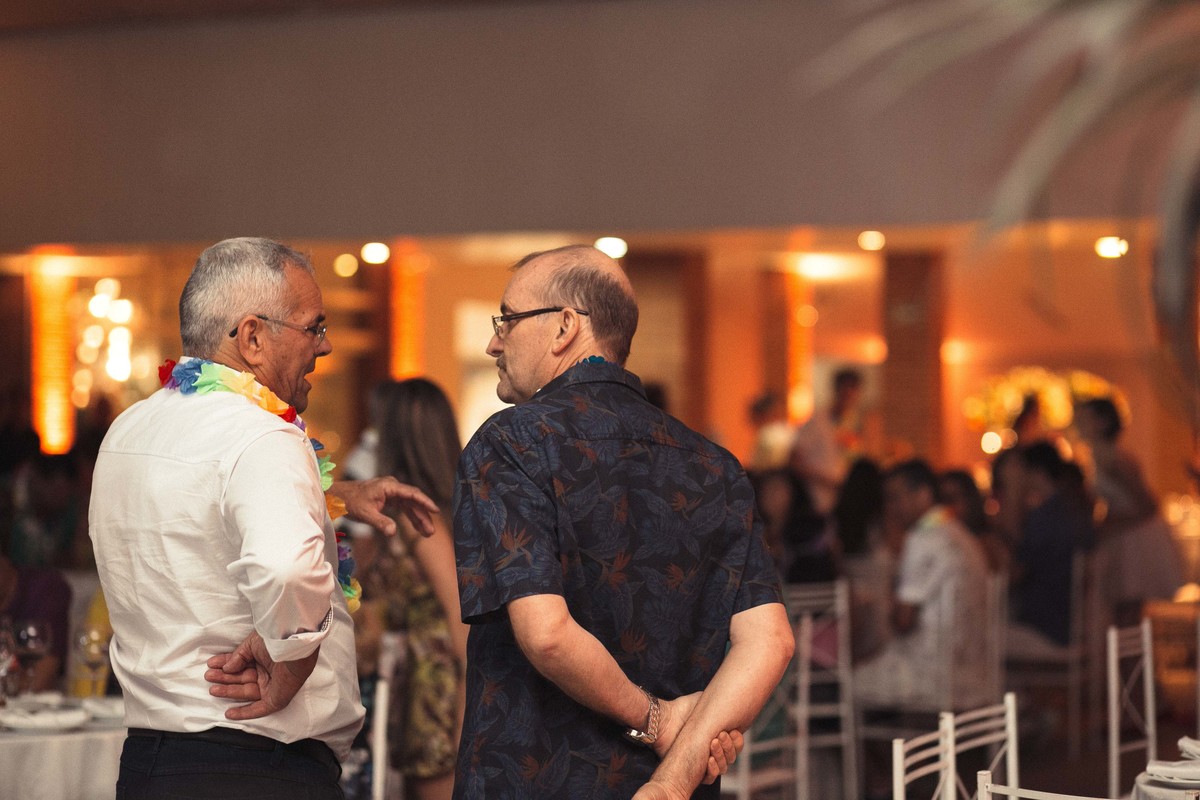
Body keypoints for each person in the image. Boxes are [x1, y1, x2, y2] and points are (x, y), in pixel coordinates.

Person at [88, 237, 438, 799]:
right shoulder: (263, 436)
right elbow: (286, 568)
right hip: (255, 766)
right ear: (252, 337)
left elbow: (196, 504)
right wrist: (292, 658)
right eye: (313, 327)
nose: (324, 345)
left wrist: (332, 494)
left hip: (151, 767)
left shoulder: (129, 429)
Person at [453, 244, 793, 799]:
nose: (495, 341)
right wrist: (673, 780)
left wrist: (656, 720)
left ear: (565, 326)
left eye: (507, 319)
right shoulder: (714, 464)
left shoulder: (513, 442)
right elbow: (769, 642)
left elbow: (547, 635)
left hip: (534, 778)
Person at [345, 378, 469, 800]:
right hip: (415, 687)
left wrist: (465, 720)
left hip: (435, 695)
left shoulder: (423, 523)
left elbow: (461, 620)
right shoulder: (426, 513)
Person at [853, 459, 990, 710]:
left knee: (843, 684)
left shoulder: (923, 538)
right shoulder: (965, 536)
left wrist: (890, 601)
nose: (890, 508)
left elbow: (903, 621)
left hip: (931, 674)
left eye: (895, 498)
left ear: (924, 494)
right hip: (976, 672)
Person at [1075, 397, 1183, 624]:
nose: (1078, 424)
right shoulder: (1098, 456)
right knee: (1119, 606)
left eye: (1084, 418)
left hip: (1134, 535)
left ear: (1102, 422)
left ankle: (1126, 647)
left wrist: (1112, 525)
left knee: (1128, 606)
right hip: (1122, 532)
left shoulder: (1116, 459)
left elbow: (1147, 505)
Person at [1005, 442, 1095, 656]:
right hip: (1072, 624)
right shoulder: (1075, 511)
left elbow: (1015, 573)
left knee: (983, 637)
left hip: (1045, 628)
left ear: (1036, 472)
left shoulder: (1045, 517)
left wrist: (1014, 497)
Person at [792, 367, 883, 514]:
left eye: (852, 392)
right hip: (817, 500)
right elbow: (795, 460)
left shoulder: (856, 424)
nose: (848, 397)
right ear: (836, 391)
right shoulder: (817, 422)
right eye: (844, 391)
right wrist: (826, 480)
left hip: (848, 501)